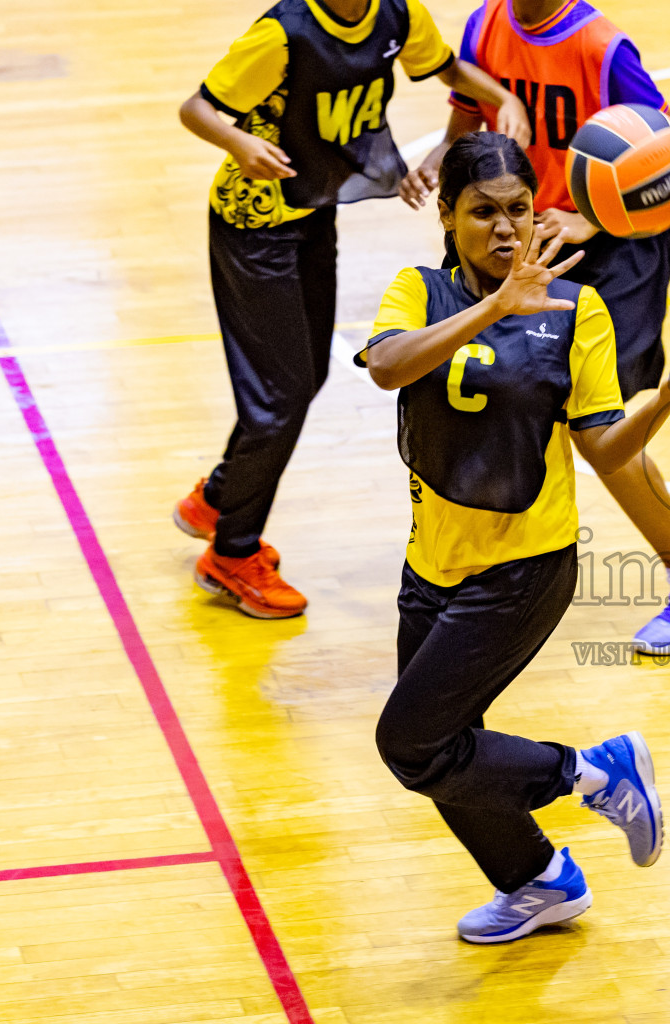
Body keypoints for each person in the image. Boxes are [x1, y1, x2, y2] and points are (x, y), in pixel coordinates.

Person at [360, 133, 670, 942]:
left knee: (409, 741)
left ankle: (595, 775)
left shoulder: (579, 309)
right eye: (482, 212)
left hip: (524, 569)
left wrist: (664, 398)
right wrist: (494, 308)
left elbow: (606, 450)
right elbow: (388, 367)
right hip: (431, 562)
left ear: (539, 213)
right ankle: (540, 883)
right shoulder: (418, 292)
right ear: (450, 221)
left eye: (518, 210)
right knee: (443, 752)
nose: (504, 229)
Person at [397, 0, 670, 654]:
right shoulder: (484, 24)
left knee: (596, 429)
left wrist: (591, 214)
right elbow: (470, 110)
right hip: (517, 238)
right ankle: (477, 566)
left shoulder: (604, 48)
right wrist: (445, 153)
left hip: (611, 245)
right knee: (470, 384)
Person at [172, 0, 532, 619]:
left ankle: (222, 495)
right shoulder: (282, 35)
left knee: (306, 376)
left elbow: (449, 70)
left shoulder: (396, 15)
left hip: (313, 211)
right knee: (279, 397)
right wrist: (239, 143)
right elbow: (196, 109)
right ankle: (231, 552)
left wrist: (506, 99)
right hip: (253, 223)